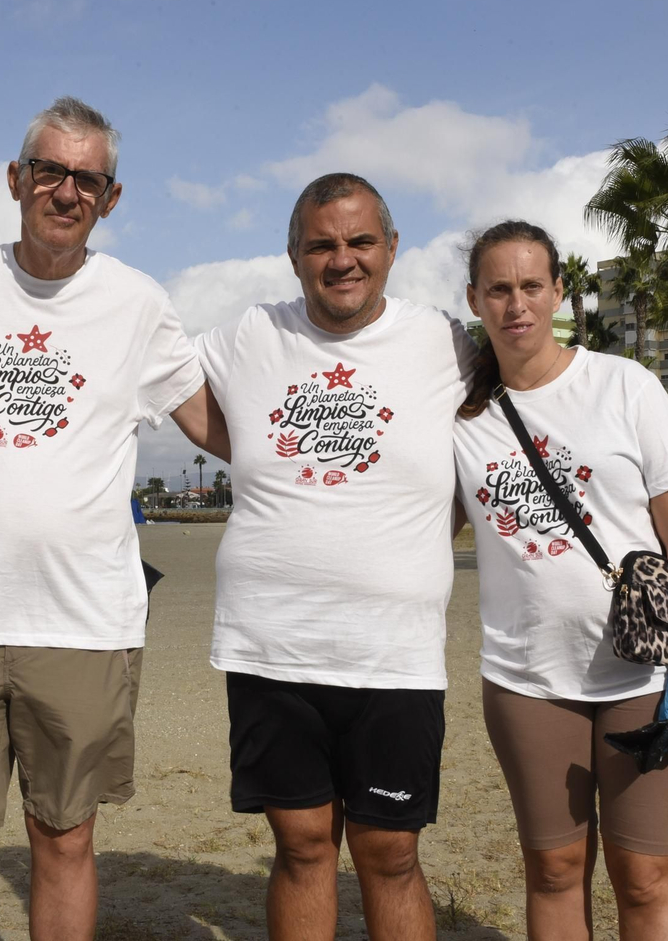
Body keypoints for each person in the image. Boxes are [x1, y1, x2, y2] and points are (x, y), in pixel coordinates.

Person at [0, 96, 227, 941]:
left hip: (86, 624)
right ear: (15, 178)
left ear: (111, 198)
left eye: (86, 179)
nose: (66, 191)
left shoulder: (137, 302)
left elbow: (215, 427)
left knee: (64, 840)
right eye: (49, 171)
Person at [194, 172, 474, 941]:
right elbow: (163, 383)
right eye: (321, 245)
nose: (342, 259)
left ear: (392, 248)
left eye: (360, 241)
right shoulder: (250, 333)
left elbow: (501, 432)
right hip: (272, 644)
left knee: (391, 851)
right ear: (294, 256)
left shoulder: (444, 340)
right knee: (303, 845)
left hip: (396, 653)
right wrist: (252, 451)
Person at [451, 221, 668, 941]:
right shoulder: (464, 417)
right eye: (498, 290)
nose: (516, 305)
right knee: (554, 869)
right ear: (474, 300)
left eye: (531, 286)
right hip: (527, 677)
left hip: (645, 674)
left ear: (558, 292)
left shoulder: (624, 385)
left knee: (648, 875)